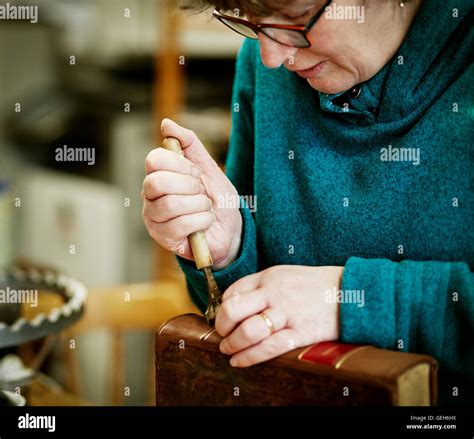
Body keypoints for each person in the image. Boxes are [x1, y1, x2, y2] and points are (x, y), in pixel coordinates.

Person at [142, 0, 473, 404]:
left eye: (296, 20)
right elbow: (247, 318)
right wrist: (230, 253)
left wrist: (349, 298)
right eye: (251, 21)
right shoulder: (264, 61)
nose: (270, 55)